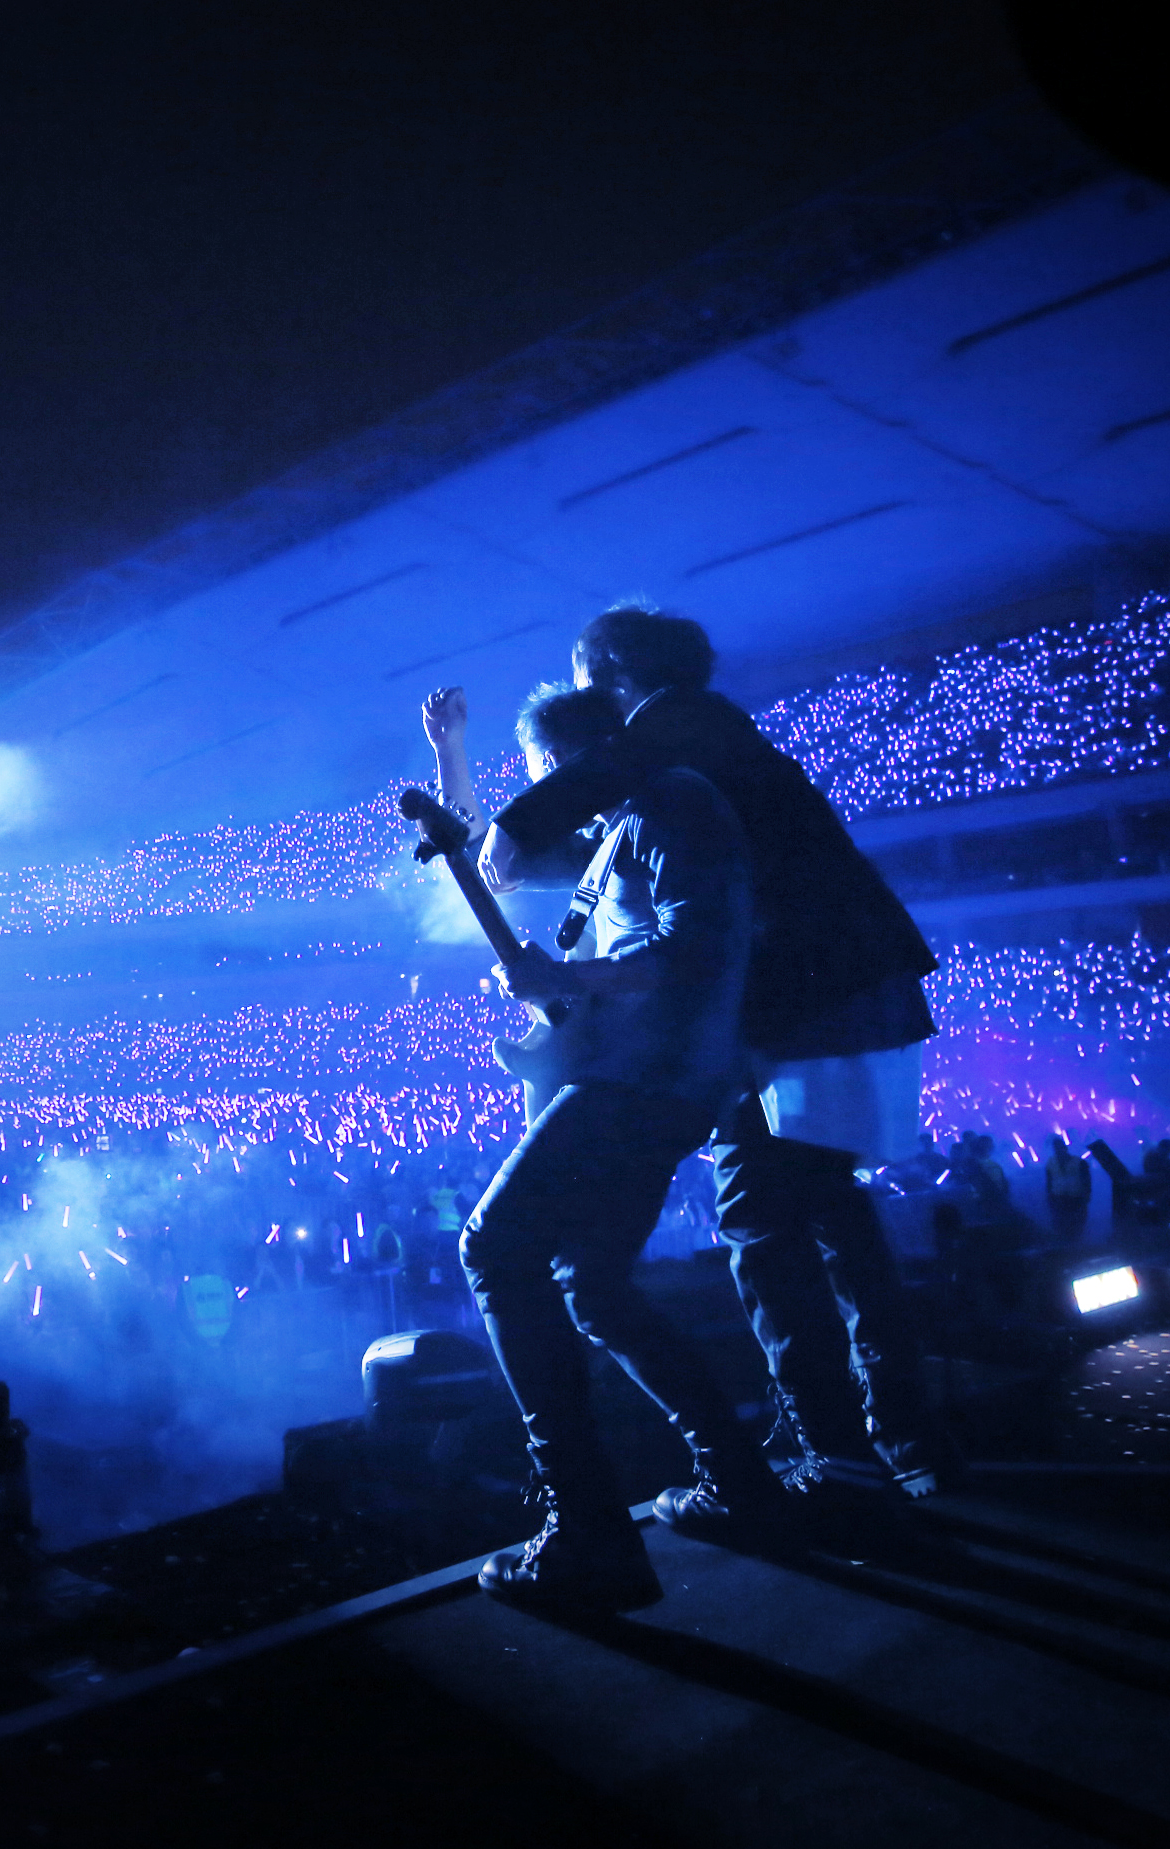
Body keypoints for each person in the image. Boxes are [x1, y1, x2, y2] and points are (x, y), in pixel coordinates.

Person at [482, 604, 953, 1505]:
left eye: (589, 686)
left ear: (615, 669)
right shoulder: (696, 755)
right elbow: (582, 855)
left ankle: (841, 1454)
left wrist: (514, 821)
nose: (594, 715)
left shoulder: (681, 720)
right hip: (832, 992)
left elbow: (598, 782)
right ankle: (899, 1439)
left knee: (764, 1218)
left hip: (807, 998)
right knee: (828, 1215)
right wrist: (480, 826)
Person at [442, 681, 776, 1615]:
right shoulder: (621, 832)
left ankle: (586, 1530)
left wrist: (568, 972)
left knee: (493, 1249)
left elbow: (698, 945)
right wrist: (451, 755)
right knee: (592, 1282)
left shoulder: (670, 798)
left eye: (545, 770)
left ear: (579, 759)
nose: (542, 788)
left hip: (642, 1079)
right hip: (650, 1081)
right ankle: (736, 1482)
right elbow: (487, 864)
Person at [1044, 1134, 1092, 1240]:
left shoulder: (1079, 1162)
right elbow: (1049, 1181)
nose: (1058, 1150)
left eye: (1059, 1147)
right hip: (1058, 1198)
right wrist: (1049, 1197)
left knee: (1077, 1226)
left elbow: (1087, 1181)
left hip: (1076, 1198)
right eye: (1056, 1148)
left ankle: (1076, 1246)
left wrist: (1086, 1196)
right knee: (1061, 1226)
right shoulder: (1051, 1162)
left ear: (1065, 1148)